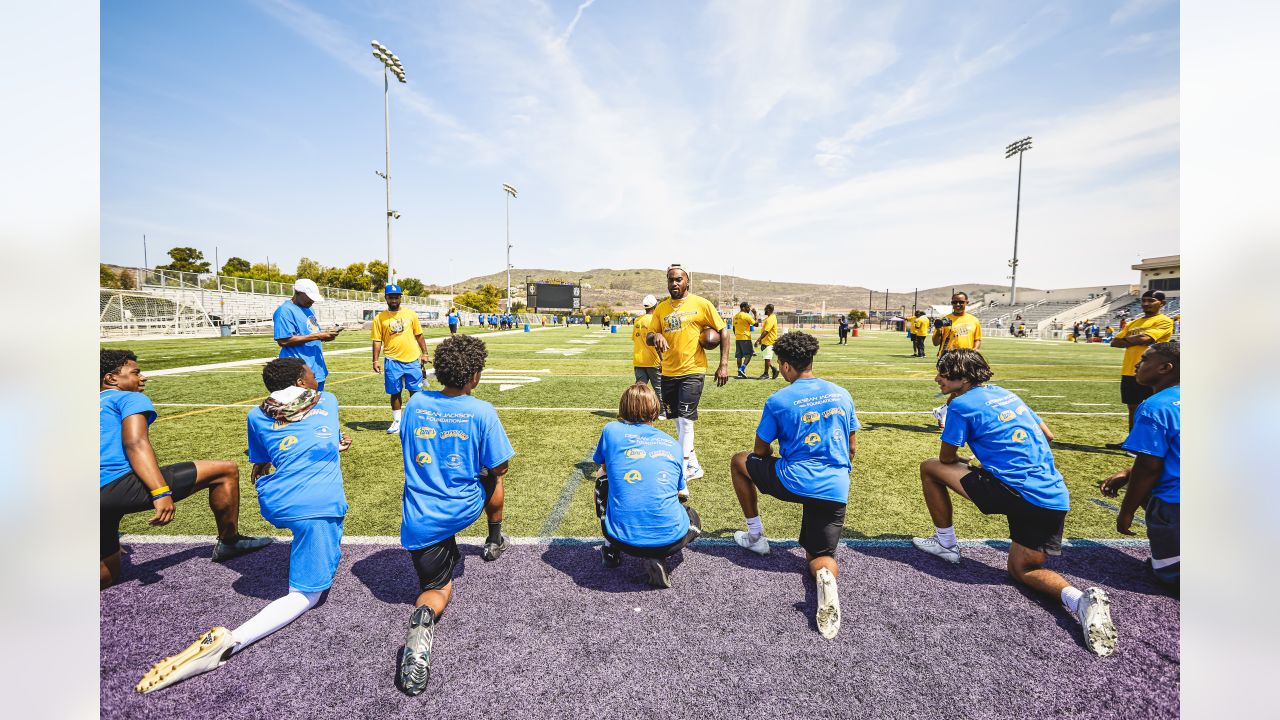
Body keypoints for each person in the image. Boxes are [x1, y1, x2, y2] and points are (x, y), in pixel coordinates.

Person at [135, 358, 352, 694]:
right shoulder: (329, 400)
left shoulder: (256, 414)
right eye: (310, 373)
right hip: (317, 506)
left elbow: (267, 456)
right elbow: (320, 430)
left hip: (274, 501)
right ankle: (230, 642)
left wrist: (330, 444)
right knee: (307, 595)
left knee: (305, 530)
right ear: (302, 378)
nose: (315, 376)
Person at [910, 349, 1116, 657]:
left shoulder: (960, 405)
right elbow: (1047, 435)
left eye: (943, 372)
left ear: (963, 378)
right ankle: (1078, 599)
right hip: (1052, 496)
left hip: (1014, 492)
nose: (937, 377)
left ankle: (946, 544)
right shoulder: (1007, 393)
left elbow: (946, 459)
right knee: (1023, 570)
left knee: (929, 468)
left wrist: (964, 447)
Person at [396, 334, 514, 695]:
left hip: (420, 518)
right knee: (492, 476)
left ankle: (425, 616)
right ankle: (494, 537)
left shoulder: (415, 404)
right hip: (463, 506)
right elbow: (501, 466)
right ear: (475, 375)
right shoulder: (482, 410)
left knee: (436, 590)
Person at [100, 350, 271, 590]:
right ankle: (230, 541)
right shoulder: (128, 398)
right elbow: (135, 443)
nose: (143, 378)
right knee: (225, 470)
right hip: (112, 487)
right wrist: (160, 492)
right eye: (136, 372)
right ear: (111, 379)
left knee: (107, 575)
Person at [728, 331, 858, 639]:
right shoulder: (842, 393)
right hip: (835, 487)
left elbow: (759, 452)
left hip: (793, 480)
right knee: (820, 556)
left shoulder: (778, 400)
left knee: (738, 461)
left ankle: (756, 535)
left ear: (785, 366)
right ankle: (825, 577)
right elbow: (852, 447)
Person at [593, 383, 702, 587]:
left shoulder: (611, 430)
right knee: (692, 516)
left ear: (623, 407)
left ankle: (610, 550)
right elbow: (679, 491)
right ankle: (657, 554)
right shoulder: (672, 444)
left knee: (602, 478)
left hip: (621, 538)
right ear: (655, 409)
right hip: (671, 541)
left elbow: (603, 467)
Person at [1099, 342, 1180, 589]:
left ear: (1165, 368)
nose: (1137, 363)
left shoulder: (1155, 406)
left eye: (1144, 360)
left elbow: (1149, 468)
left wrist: (1126, 512)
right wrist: (1127, 472)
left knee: (1169, 577)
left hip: (1175, 506)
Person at [648, 264, 730, 482]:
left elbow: (723, 331)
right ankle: (694, 465)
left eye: (678, 280)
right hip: (668, 371)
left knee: (685, 421)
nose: (674, 283)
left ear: (687, 282)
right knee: (676, 419)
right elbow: (650, 334)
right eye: (670, 280)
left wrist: (723, 364)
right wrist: (655, 337)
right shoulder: (661, 308)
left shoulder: (701, 304)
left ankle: (681, 475)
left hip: (693, 370)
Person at [1107, 289, 1175, 447]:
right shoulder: (1133, 323)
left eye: (1151, 301)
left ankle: (1146, 445)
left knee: (1149, 408)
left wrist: (1128, 339)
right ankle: (1132, 442)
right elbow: (1114, 342)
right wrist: (1135, 339)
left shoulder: (1164, 320)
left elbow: (1146, 338)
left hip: (1152, 370)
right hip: (1129, 369)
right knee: (1132, 407)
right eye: (1144, 300)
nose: (1146, 304)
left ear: (1162, 303)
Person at [372, 284, 432, 434]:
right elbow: (377, 341)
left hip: (412, 359)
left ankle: (416, 419)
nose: (393, 299)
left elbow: (419, 335)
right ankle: (397, 421)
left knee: (415, 391)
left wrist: (425, 353)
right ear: (386, 298)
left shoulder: (411, 314)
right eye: (390, 297)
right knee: (395, 392)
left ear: (400, 297)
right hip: (392, 360)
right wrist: (375, 360)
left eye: (396, 297)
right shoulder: (379, 318)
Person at [273, 278, 341, 392]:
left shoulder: (309, 309)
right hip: (297, 372)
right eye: (309, 297)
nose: (312, 301)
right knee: (299, 408)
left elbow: (311, 333)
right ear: (298, 293)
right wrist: (318, 336)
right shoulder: (284, 311)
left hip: (316, 368)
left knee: (316, 407)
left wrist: (325, 336)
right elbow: (284, 340)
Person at [632, 294, 664, 417]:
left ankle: (638, 412)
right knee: (659, 388)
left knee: (639, 389)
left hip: (638, 360)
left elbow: (635, 339)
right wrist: (663, 359)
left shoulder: (637, 320)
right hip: (653, 360)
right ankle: (662, 412)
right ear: (655, 305)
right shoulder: (654, 320)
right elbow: (657, 342)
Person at [932, 292, 982, 356]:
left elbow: (977, 339)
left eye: (961, 302)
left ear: (967, 302)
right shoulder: (944, 320)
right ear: (951, 303)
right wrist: (938, 330)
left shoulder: (974, 320)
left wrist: (975, 349)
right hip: (948, 357)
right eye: (954, 302)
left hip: (967, 357)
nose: (958, 304)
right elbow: (935, 343)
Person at [732, 301, 756, 378]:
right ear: (743, 308)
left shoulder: (735, 316)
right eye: (748, 307)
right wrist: (755, 314)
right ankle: (742, 369)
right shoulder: (746, 316)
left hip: (738, 338)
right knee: (748, 355)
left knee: (739, 356)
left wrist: (737, 335)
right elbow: (756, 324)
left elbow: (733, 328)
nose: (749, 309)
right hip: (745, 338)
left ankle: (739, 374)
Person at [755, 303, 780, 379]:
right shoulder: (770, 317)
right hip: (766, 341)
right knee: (766, 358)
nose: (764, 310)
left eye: (765, 309)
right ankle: (774, 370)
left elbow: (766, 331)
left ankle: (766, 374)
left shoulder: (770, 319)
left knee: (767, 358)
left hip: (769, 341)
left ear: (768, 310)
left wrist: (758, 340)